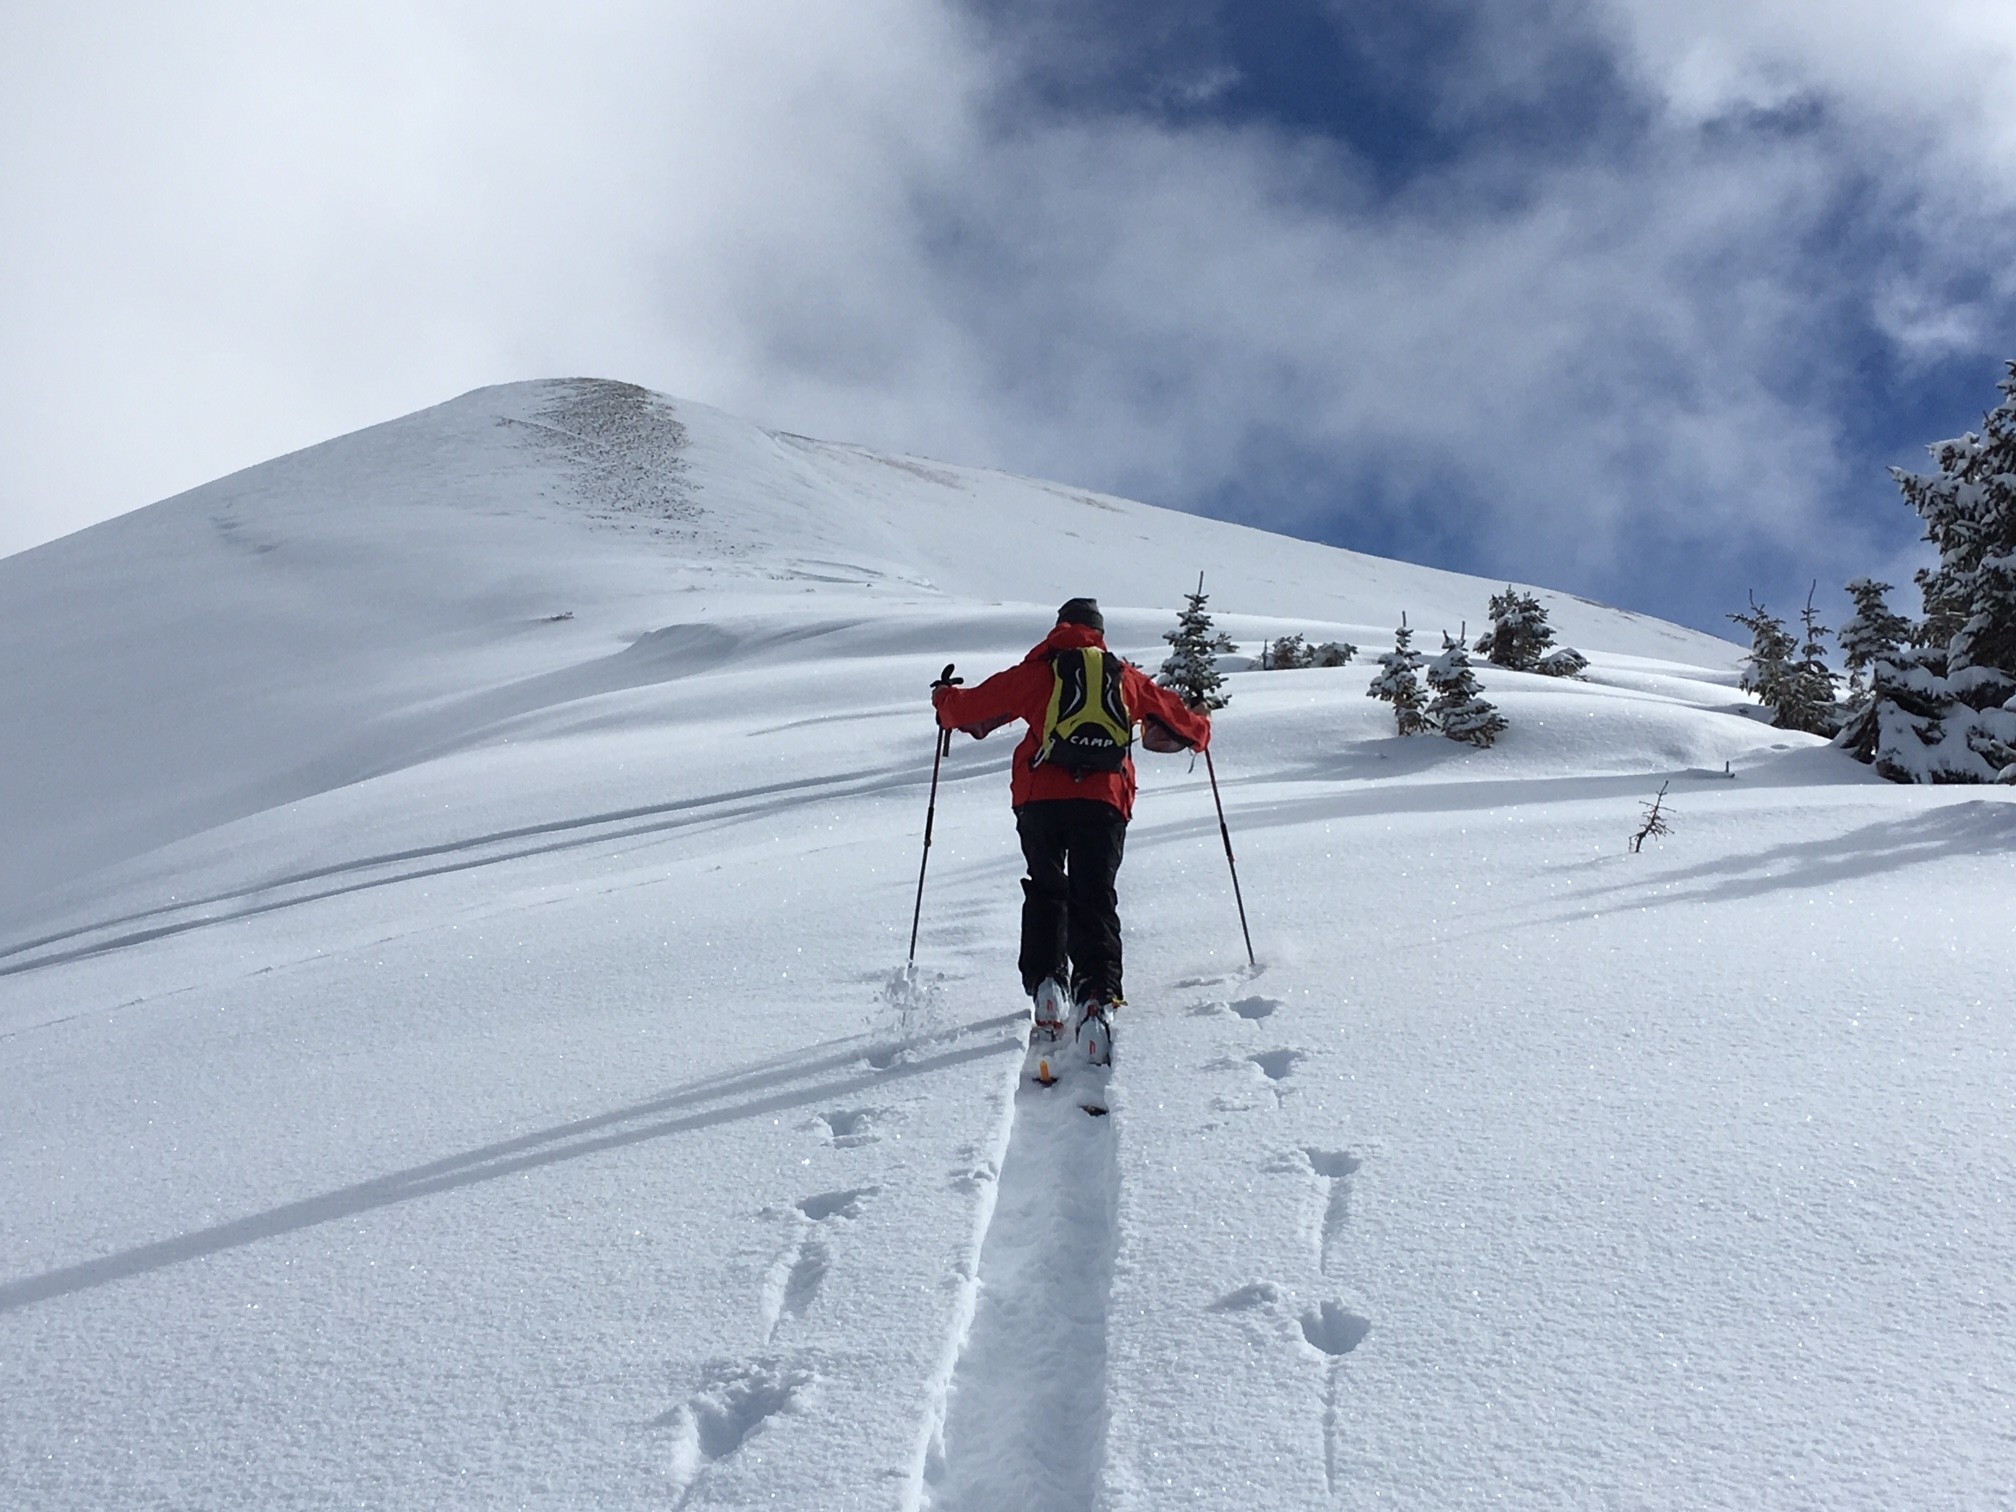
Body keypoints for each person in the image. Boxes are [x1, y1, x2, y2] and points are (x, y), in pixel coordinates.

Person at [931, 598, 1213, 1052]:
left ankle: (1048, 985)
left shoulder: (1040, 672)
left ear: (1061, 626)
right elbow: (1186, 726)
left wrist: (943, 697)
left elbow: (965, 711)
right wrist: (1201, 722)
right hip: (1104, 801)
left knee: (1047, 887)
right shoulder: (1125, 678)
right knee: (1095, 895)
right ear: (1099, 633)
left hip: (1039, 800)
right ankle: (1096, 997)